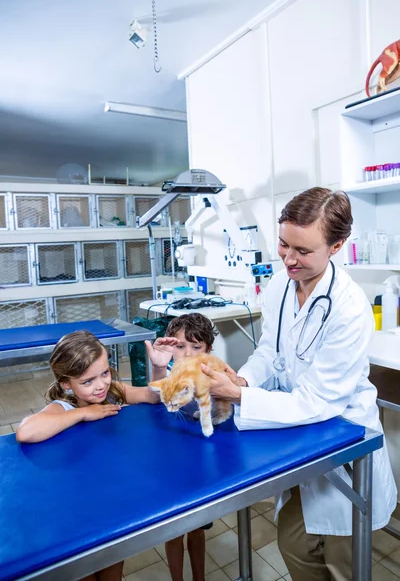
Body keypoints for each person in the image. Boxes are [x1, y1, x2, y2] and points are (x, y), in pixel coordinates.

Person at [201, 187, 397, 581]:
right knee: (294, 544)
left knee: (343, 565)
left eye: (303, 251)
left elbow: (317, 401)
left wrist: (239, 396)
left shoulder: (349, 307)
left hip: (341, 439)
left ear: (337, 246)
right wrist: (243, 378)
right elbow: (268, 354)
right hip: (300, 436)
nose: (289, 259)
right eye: (283, 245)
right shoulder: (280, 285)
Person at [16, 330, 159, 581]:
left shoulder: (113, 390)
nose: (101, 384)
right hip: (76, 512)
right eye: (88, 381)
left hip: (110, 501)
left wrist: (158, 370)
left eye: (104, 373)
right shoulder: (63, 407)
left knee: (113, 568)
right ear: (66, 383)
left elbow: (152, 397)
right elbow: (25, 432)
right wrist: (83, 414)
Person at [145, 313, 219, 581]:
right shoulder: (170, 374)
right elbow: (153, 396)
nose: (187, 354)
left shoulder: (212, 375)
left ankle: (199, 577)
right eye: (179, 346)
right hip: (171, 462)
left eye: (196, 347)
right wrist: (158, 366)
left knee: (197, 528)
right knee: (173, 530)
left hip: (200, 464)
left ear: (208, 350)